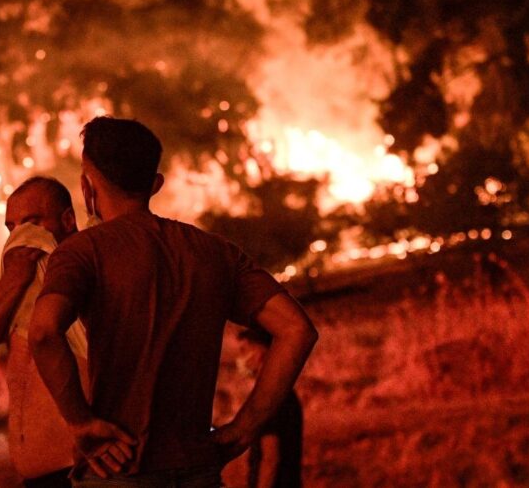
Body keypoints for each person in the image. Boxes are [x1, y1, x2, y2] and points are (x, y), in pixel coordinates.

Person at [29, 116, 318, 487]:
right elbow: (296, 329)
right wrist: (244, 429)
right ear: (155, 185)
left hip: (119, 470)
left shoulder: (81, 253)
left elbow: (43, 331)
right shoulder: (214, 252)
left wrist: (80, 422)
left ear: (86, 187)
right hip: (199, 471)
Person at [0, 177, 88, 487]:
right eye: (12, 228)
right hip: (37, 477)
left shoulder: (87, 272)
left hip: (77, 471)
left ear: (67, 220)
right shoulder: (19, 285)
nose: (21, 237)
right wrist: (13, 280)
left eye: (32, 223)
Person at [237, 328, 303, 488]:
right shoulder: (285, 392)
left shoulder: (268, 397)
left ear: (260, 353)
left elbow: (270, 458)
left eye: (244, 350)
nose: (239, 358)